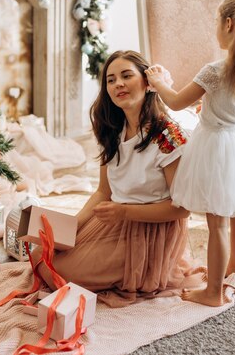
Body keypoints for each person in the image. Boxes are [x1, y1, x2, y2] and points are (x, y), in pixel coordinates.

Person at [145, 0, 235, 307]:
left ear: (229, 24)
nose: (216, 29)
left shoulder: (215, 70)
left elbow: (177, 100)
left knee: (217, 223)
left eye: (216, 23)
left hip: (216, 147)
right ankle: (233, 271)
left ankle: (212, 294)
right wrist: (217, 108)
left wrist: (157, 80)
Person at [34, 50, 200, 307]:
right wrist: (71, 227)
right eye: (111, 80)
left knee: (61, 272)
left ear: (147, 83)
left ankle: (142, 269)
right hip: (116, 218)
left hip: (150, 229)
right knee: (41, 255)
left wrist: (123, 212)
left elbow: (182, 209)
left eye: (126, 76)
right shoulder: (112, 130)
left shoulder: (167, 135)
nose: (118, 84)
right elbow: (103, 192)